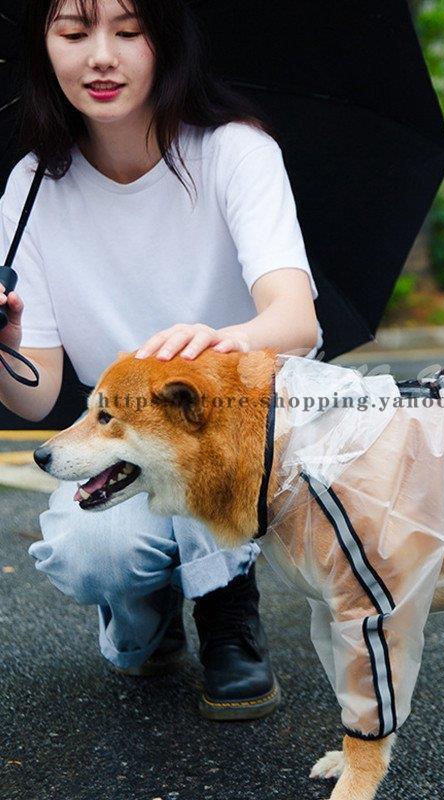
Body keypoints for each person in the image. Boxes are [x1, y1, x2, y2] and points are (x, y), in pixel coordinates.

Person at [0, 0, 322, 720]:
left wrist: (217, 346)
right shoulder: (30, 187)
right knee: (94, 555)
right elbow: (36, 391)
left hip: (245, 426)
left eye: (128, 30)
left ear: (165, 42)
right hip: (128, 443)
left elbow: (295, 322)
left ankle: (224, 604)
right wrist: (5, 348)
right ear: (44, 48)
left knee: (192, 419)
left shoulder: (234, 151)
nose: (101, 56)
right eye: (75, 33)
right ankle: (147, 606)